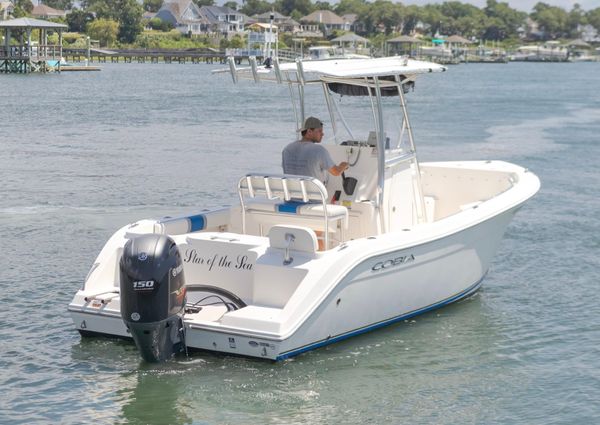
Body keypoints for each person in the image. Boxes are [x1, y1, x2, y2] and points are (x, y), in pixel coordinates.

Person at [282, 116, 349, 185]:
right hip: (314, 194)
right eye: (319, 131)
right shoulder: (319, 150)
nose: (322, 134)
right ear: (309, 131)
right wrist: (344, 165)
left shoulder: (287, 149)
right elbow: (336, 172)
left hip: (293, 193)